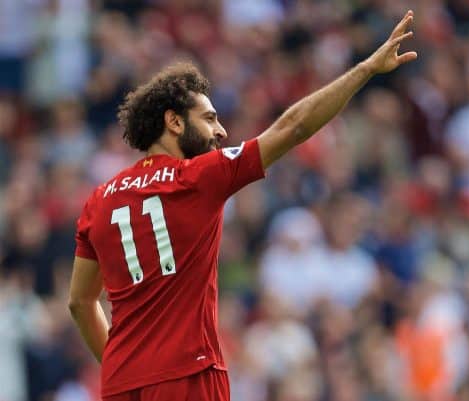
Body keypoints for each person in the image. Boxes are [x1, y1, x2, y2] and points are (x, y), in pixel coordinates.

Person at [68, 10, 417, 401]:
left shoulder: (98, 201)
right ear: (174, 122)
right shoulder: (198, 177)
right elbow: (292, 128)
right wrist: (366, 69)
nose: (221, 131)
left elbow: (80, 303)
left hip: (121, 385)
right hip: (189, 376)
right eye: (209, 118)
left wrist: (120, 366)